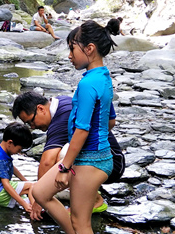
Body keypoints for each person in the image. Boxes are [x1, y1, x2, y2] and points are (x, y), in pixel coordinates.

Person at [30, 21, 116, 234]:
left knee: (81, 221)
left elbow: (82, 128)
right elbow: (110, 120)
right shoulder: (101, 77)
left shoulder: (91, 83)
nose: (69, 55)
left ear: (89, 49)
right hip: (88, 156)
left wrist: (67, 164)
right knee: (40, 192)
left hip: (90, 161)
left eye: (72, 49)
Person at [11, 91, 126, 219]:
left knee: (62, 156)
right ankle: (86, 191)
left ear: (40, 108)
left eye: (31, 121)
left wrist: (39, 200)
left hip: (112, 164)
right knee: (64, 158)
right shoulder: (61, 102)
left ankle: (95, 200)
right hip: (106, 159)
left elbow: (47, 161)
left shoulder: (61, 118)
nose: (32, 127)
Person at [0, 123, 36, 215]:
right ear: (10, 142)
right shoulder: (2, 159)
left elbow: (10, 167)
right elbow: (6, 184)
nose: (19, 152)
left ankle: (28, 208)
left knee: (26, 196)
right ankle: (35, 211)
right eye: (19, 149)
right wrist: (24, 203)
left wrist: (25, 181)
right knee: (33, 187)